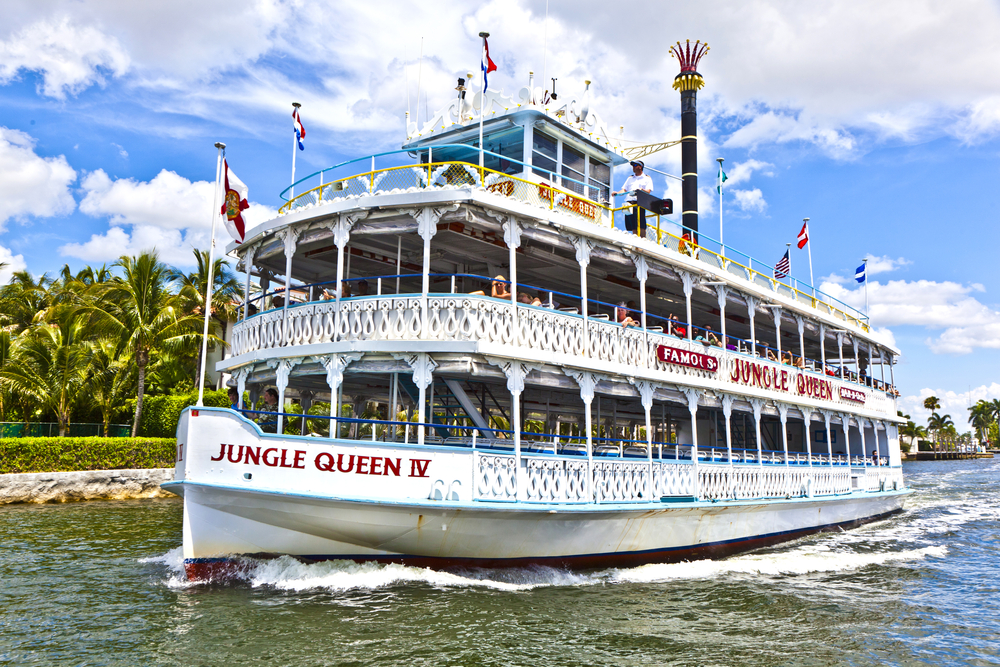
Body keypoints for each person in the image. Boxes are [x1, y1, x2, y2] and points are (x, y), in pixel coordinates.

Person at [612, 160, 653, 237]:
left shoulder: (647, 178)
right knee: (632, 225)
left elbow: (648, 191)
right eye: (632, 166)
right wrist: (617, 193)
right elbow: (624, 190)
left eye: (635, 165)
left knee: (640, 224)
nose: (633, 168)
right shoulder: (630, 178)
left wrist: (641, 190)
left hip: (639, 203)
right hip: (629, 203)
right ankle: (635, 239)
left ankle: (642, 240)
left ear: (640, 167)